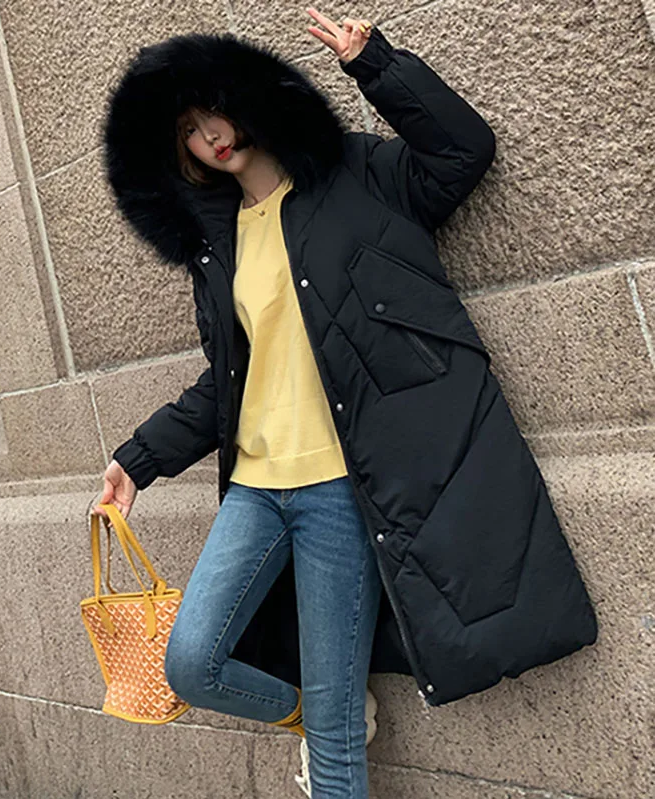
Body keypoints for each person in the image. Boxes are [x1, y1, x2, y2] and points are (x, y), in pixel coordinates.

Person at [94, 7, 598, 798]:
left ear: (249, 99)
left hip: (336, 492)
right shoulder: (217, 247)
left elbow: (462, 153)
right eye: (188, 130)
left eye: (213, 111)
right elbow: (230, 380)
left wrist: (377, 66)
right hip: (255, 490)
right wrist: (137, 458)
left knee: (334, 749)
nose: (210, 135)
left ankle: (330, 722)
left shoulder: (356, 176)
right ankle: (320, 712)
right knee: (190, 663)